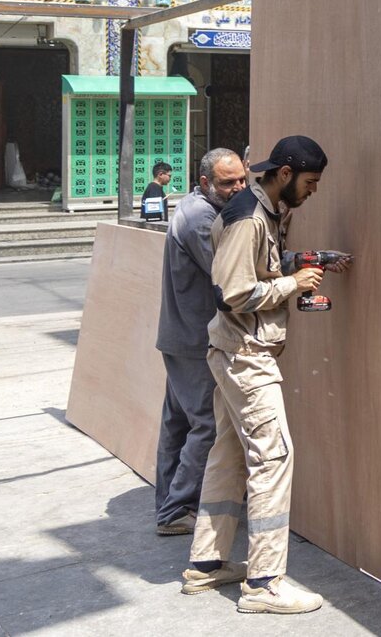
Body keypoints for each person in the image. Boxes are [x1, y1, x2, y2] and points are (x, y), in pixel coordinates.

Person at [182, 135, 351, 614]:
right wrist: (291, 284)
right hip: (245, 356)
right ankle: (264, 583)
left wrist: (305, 262)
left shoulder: (270, 212)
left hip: (238, 351)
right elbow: (232, 293)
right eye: (311, 182)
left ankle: (207, 566)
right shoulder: (248, 217)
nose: (314, 191)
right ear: (284, 174)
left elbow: (260, 268)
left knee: (229, 456)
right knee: (273, 458)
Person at [154, 148, 248, 536]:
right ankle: (176, 509)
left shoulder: (197, 207)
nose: (238, 188)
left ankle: (169, 504)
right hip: (194, 341)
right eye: (228, 183)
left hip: (180, 336)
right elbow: (228, 274)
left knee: (177, 424)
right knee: (207, 425)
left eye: (242, 179)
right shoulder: (200, 218)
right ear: (206, 182)